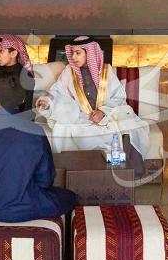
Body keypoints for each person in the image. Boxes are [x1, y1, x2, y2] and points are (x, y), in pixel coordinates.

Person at [35, 36, 157, 175]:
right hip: (81, 117)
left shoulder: (106, 71)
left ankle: (130, 166)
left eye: (78, 53)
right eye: (72, 52)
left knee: (131, 125)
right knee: (82, 134)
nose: (73, 57)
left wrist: (103, 112)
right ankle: (102, 169)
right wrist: (48, 102)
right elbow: (57, 92)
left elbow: (118, 97)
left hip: (108, 115)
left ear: (90, 53)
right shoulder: (69, 72)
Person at [0, 97, 78, 222]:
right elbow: (45, 180)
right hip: (21, 206)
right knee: (70, 197)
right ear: (22, 101)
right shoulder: (34, 130)